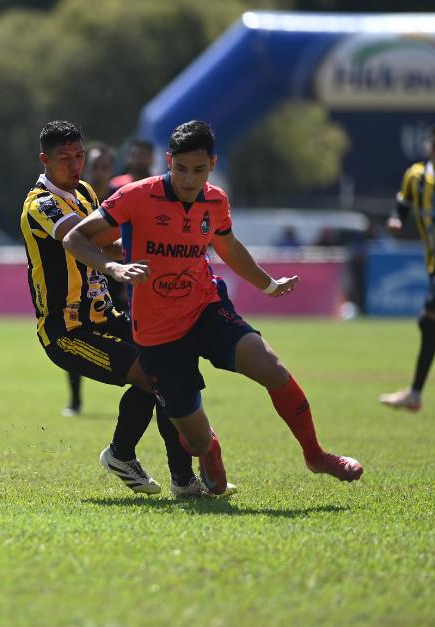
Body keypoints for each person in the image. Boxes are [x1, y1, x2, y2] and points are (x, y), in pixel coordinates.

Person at [63, 120, 363, 486]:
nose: (190, 180)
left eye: (199, 171)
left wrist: (268, 285)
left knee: (272, 369)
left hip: (205, 307)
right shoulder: (135, 196)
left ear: (213, 164)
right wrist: (114, 266)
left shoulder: (215, 200)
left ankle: (316, 456)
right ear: (169, 161)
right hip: (158, 334)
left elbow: (229, 248)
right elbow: (76, 238)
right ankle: (210, 450)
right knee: (198, 439)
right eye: (182, 169)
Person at [23, 120, 231, 498]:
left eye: (79, 156)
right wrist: (114, 267)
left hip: (105, 318)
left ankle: (170, 475)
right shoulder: (41, 205)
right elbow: (77, 241)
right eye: (64, 158)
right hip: (67, 331)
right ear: (45, 161)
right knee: (156, 378)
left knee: (171, 371)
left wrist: (164, 255)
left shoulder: (84, 191)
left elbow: (109, 243)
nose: (75, 165)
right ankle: (155, 468)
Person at [379, 124, 435, 412]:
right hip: (432, 265)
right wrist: (396, 220)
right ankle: (414, 394)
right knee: (429, 324)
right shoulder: (417, 177)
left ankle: (414, 394)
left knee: (429, 320)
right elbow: (402, 205)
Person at [62, 143, 121, 417]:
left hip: (116, 277)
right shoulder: (75, 197)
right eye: (94, 166)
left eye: (103, 167)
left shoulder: (119, 199)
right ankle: (75, 401)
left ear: (111, 170)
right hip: (82, 278)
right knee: (76, 337)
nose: (98, 172)